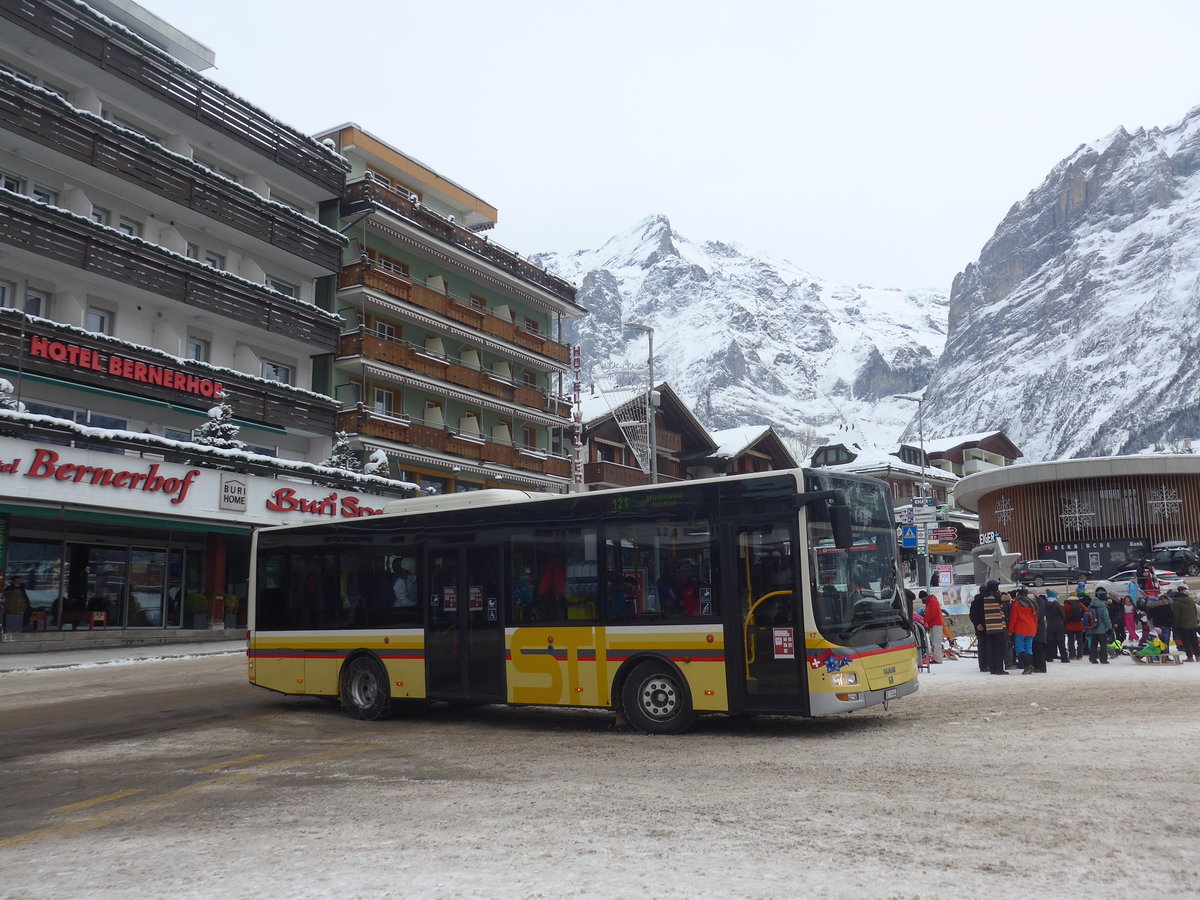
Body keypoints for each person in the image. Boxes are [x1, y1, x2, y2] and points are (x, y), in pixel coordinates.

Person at [970, 580, 1009, 674]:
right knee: (998, 649)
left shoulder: (984, 598)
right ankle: (999, 669)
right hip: (997, 625)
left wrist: (978, 624)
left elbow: (973, 614)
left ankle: (991, 667)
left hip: (988, 626)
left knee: (988, 648)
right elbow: (1005, 600)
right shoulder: (995, 596)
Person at [1008, 587, 1039, 674]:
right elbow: (1036, 618)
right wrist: (1035, 628)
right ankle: (1030, 664)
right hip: (1031, 628)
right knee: (1028, 648)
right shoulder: (1032, 603)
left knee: (1019, 648)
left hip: (1021, 628)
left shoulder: (1016, 603)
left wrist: (1010, 630)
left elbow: (1014, 618)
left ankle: (1028, 665)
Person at [1169, 586, 1199, 662]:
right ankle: (1198, 656)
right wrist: (1195, 621)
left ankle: (1190, 657)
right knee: (1194, 641)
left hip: (1183, 625)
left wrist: (1175, 625)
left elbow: (1177, 615)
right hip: (1193, 624)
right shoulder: (1191, 600)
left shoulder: (1176, 603)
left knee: (1186, 642)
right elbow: (1195, 612)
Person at [1085, 588, 1112, 664]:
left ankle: (1093, 658)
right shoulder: (1103, 607)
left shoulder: (1091, 606)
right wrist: (1110, 627)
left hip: (1092, 628)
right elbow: (1106, 618)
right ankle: (1103, 659)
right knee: (1103, 645)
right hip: (1101, 629)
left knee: (1093, 644)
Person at [1044, 590, 1068, 662]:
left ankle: (1049, 657)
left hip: (1050, 625)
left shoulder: (1046, 604)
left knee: (1050, 641)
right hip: (1059, 625)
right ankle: (1064, 658)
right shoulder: (1057, 604)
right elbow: (1063, 615)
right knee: (1061, 641)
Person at [923, 590, 945, 663]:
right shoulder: (930, 601)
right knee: (934, 641)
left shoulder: (932, 601)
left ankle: (938, 659)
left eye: (922, 599)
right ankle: (936, 658)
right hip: (934, 624)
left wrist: (925, 620)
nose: (922, 601)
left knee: (936, 642)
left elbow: (932, 613)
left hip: (936, 624)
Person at [1063, 592, 1087, 659]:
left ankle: (1072, 655)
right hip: (1079, 625)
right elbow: (1086, 610)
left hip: (1069, 625)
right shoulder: (1079, 603)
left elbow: (1063, 614)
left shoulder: (1067, 604)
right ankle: (1080, 655)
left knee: (1070, 641)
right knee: (1079, 641)